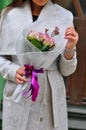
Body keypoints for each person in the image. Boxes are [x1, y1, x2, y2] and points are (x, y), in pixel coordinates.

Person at [0, 0, 79, 130]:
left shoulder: (64, 16)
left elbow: (67, 71)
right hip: (20, 87)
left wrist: (70, 48)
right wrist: (13, 71)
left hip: (50, 92)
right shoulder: (9, 15)